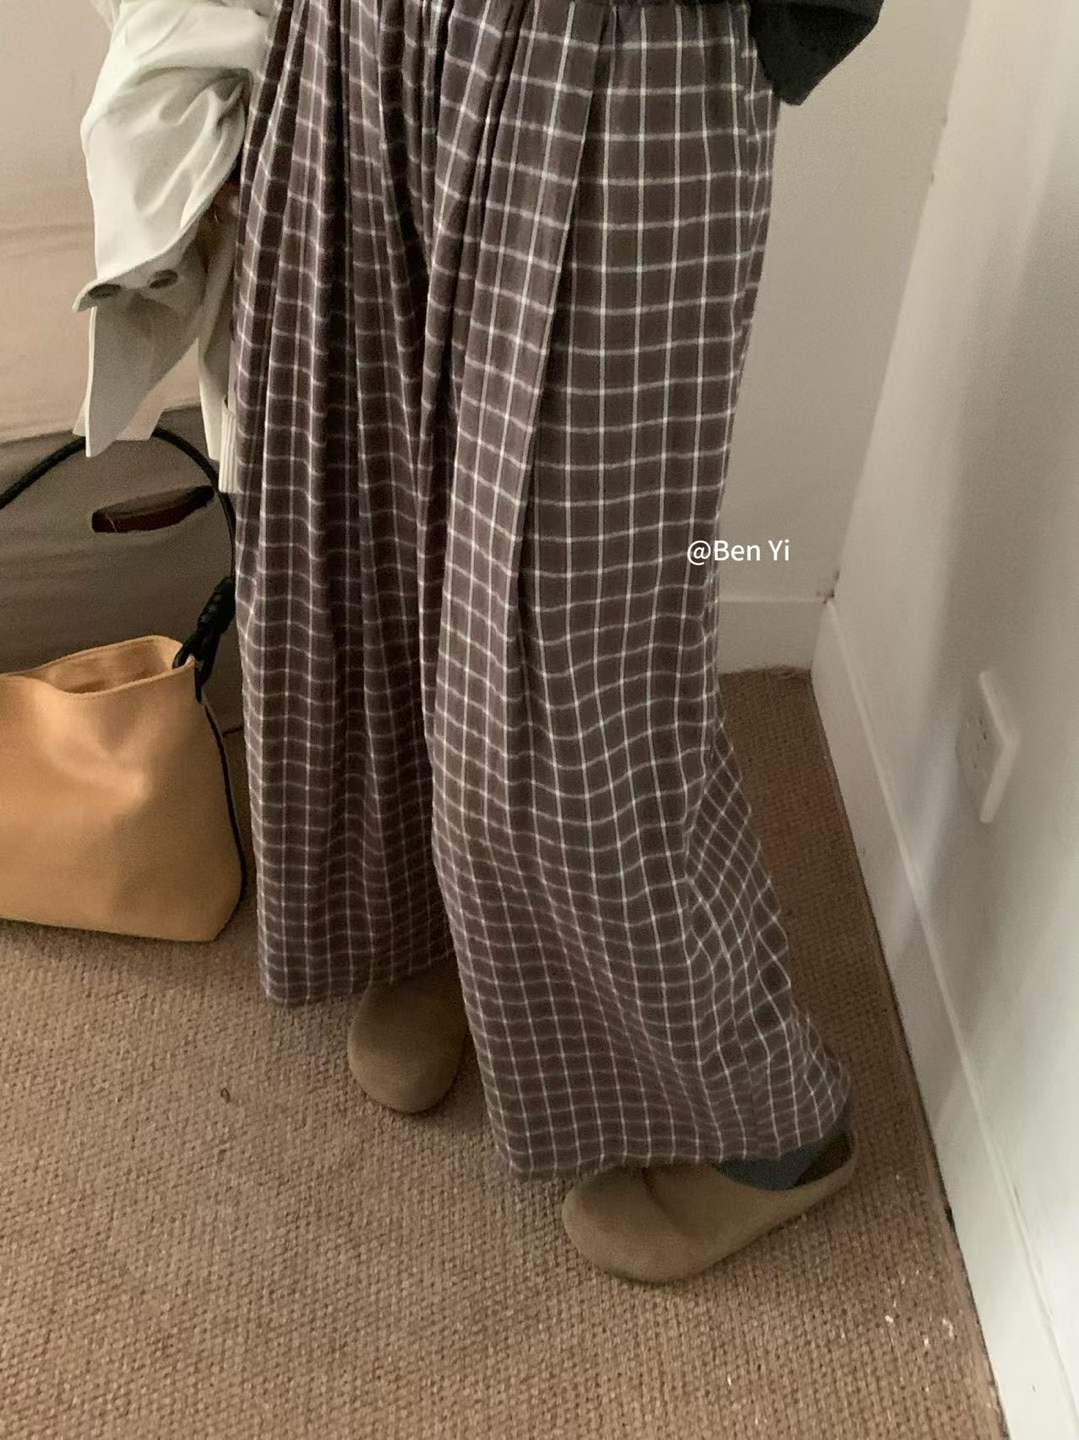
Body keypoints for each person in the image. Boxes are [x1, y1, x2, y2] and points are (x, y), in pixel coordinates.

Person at [80, 0, 881, 1286]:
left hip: (611, 54)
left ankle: (762, 1120)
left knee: (570, 663)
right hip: (357, 43)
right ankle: (433, 928)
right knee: (355, 561)